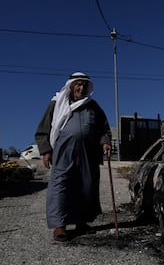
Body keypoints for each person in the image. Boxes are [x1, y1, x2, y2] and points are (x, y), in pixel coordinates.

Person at [35, 72, 112, 241]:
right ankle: (59, 226)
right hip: (63, 151)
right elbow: (43, 129)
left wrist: (105, 142)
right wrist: (46, 151)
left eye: (84, 85)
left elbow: (104, 129)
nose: (81, 88)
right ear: (71, 86)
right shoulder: (57, 103)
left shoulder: (93, 106)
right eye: (78, 84)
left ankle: (81, 222)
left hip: (88, 152)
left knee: (86, 185)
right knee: (60, 185)